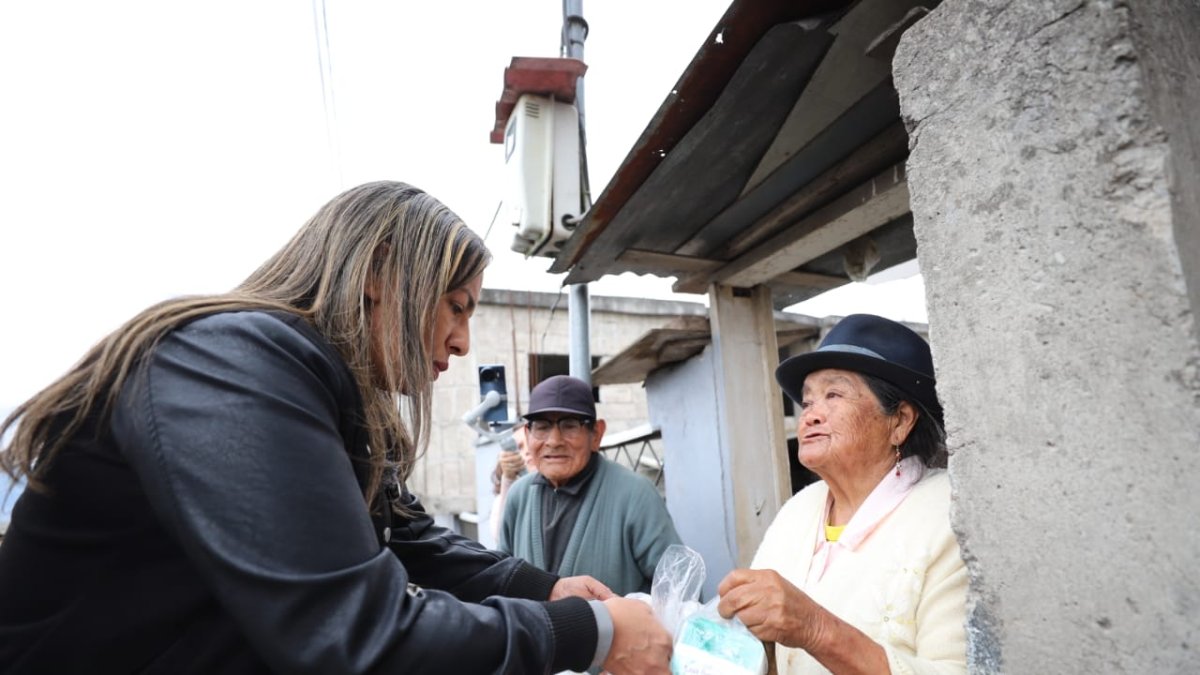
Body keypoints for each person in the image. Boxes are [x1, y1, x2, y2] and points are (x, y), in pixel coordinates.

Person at [0, 181, 672, 674]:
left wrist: (540, 586)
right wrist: (586, 631)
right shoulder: (233, 367)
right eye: (456, 307)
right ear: (382, 271)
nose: (463, 341)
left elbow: (410, 540)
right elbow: (355, 635)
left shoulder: (318, 392)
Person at [717, 314, 967, 674]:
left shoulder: (948, 513)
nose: (810, 416)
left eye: (833, 395)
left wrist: (815, 628)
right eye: (807, 402)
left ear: (899, 420)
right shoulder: (799, 510)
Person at [498, 375, 682, 597]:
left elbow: (681, 590)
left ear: (596, 434)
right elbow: (503, 579)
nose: (554, 440)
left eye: (570, 425)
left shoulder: (635, 495)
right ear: (528, 435)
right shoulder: (519, 496)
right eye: (542, 426)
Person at [490, 424, 536, 541]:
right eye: (519, 447)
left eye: (530, 443)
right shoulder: (501, 500)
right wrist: (509, 479)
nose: (527, 451)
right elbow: (501, 537)